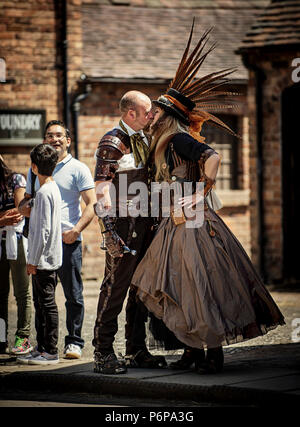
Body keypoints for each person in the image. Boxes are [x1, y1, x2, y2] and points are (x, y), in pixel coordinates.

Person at [131, 24, 285, 374]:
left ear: (168, 116)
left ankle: (212, 353)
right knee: (176, 286)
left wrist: (202, 191)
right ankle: (191, 351)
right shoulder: (164, 144)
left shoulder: (178, 139)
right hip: (176, 222)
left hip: (193, 224)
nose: (151, 116)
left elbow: (212, 156)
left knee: (200, 287)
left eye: (156, 112)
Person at [92, 90, 167, 374]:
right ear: (130, 113)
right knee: (115, 289)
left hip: (146, 223)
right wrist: (109, 232)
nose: (151, 117)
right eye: (147, 112)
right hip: (122, 226)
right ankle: (102, 352)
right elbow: (101, 189)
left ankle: (136, 349)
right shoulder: (112, 142)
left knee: (140, 289)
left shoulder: (147, 139)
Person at [19, 121, 96, 359]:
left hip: (67, 239)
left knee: (73, 294)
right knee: (43, 298)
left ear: (68, 140)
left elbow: (93, 204)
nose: (55, 139)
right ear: (44, 140)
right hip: (42, 242)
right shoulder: (37, 170)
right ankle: (44, 346)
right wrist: (27, 207)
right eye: (49, 135)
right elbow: (25, 202)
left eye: (59, 135)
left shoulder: (78, 168)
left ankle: (74, 342)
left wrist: (76, 230)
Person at [17, 144, 62, 365]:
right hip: (46, 257)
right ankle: (42, 347)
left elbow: (42, 231)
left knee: (47, 304)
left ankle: (51, 351)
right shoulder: (51, 189)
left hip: (43, 259)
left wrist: (32, 260)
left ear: (34, 167)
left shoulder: (44, 192)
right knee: (40, 304)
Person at [0, 155, 32, 355]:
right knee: (0, 293)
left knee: (21, 291)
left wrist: (3, 218)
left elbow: (19, 211)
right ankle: (1, 338)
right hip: (1, 241)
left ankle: (22, 337)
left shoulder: (16, 179)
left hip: (16, 239)